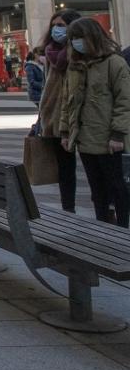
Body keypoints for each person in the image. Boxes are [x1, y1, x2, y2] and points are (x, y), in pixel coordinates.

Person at [60, 18, 130, 227]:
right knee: (96, 189)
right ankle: (102, 227)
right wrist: (65, 132)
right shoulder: (74, 67)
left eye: (79, 38)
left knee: (117, 187)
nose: (75, 42)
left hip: (109, 138)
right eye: (72, 39)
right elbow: (67, 101)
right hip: (85, 137)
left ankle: (122, 229)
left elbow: (124, 101)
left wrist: (118, 134)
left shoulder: (114, 63)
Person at [37, 9, 82, 210]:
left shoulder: (82, 53)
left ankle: (106, 209)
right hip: (56, 118)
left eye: (62, 25)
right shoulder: (50, 53)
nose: (56, 29)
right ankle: (68, 209)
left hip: (81, 116)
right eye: (54, 25)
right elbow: (48, 89)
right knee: (65, 168)